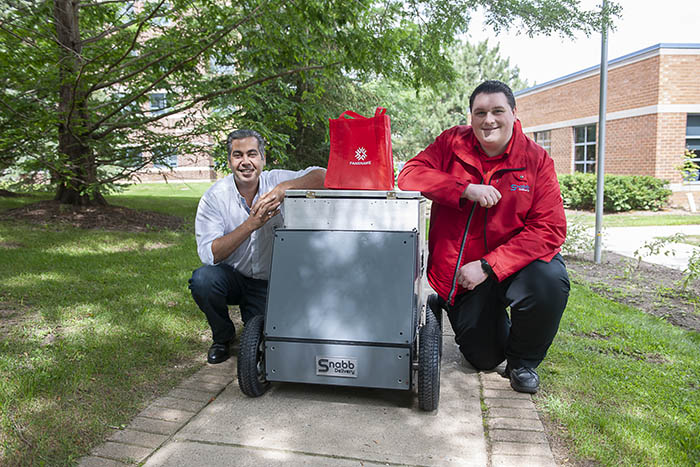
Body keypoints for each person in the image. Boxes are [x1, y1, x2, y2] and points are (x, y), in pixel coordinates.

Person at [397, 80, 570, 393]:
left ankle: (522, 362)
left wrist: (489, 265)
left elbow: (550, 228)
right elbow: (408, 175)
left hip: (511, 269)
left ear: (514, 114)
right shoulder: (452, 142)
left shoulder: (536, 161)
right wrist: (463, 189)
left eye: (497, 111)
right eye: (480, 112)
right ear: (471, 117)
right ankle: (457, 308)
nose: (488, 119)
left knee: (549, 279)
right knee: (484, 358)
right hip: (464, 278)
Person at [189, 129, 326, 364]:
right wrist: (251, 224)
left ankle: (254, 319)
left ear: (262, 159)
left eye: (252, 154)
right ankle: (223, 337)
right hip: (233, 277)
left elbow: (323, 176)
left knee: (267, 344)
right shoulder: (214, 197)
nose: (245, 162)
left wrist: (284, 190)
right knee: (203, 280)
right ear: (230, 161)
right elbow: (209, 254)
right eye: (237, 155)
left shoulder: (276, 180)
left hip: (269, 282)